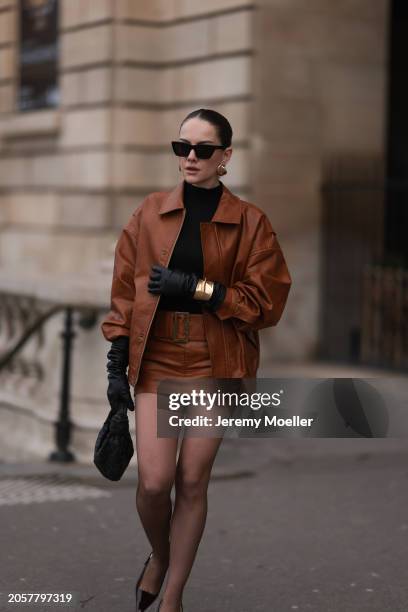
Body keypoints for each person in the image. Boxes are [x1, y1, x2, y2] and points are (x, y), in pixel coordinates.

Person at [100, 108, 292, 612]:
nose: (190, 157)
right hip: (157, 352)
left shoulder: (251, 223)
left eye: (203, 149)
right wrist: (116, 362)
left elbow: (266, 304)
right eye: (181, 147)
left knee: (191, 480)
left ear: (225, 157)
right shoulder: (148, 213)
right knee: (153, 482)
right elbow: (124, 292)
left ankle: (173, 598)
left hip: (214, 357)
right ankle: (160, 557)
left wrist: (200, 288)